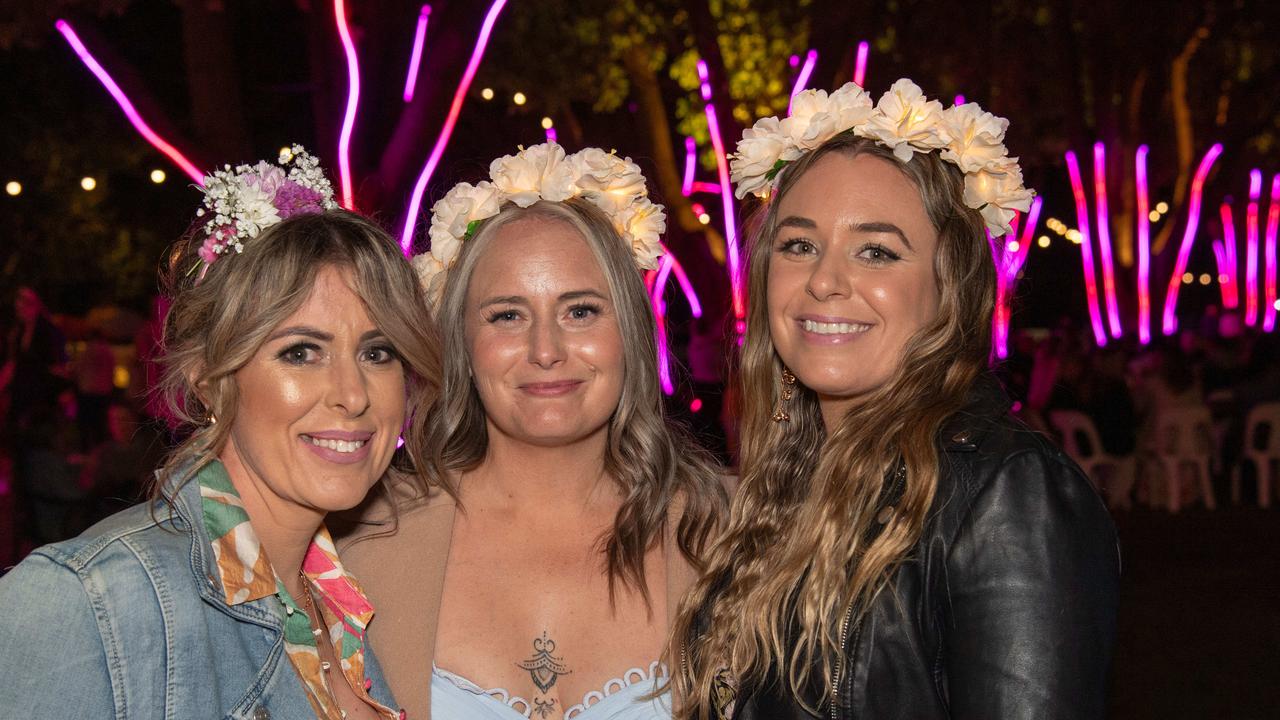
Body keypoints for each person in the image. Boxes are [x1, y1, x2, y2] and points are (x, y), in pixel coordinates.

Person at [672, 81, 1120, 720]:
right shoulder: (779, 485)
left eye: (876, 252)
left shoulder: (1006, 495)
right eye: (799, 245)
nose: (824, 280)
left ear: (950, 287)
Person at [0, 146, 441, 719]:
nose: (353, 394)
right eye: (301, 351)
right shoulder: (89, 603)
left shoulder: (344, 601)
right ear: (207, 378)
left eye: (377, 352)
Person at [334, 143, 727, 720]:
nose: (546, 351)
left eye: (581, 311)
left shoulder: (737, 532)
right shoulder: (358, 544)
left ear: (633, 333)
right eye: (507, 316)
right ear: (461, 345)